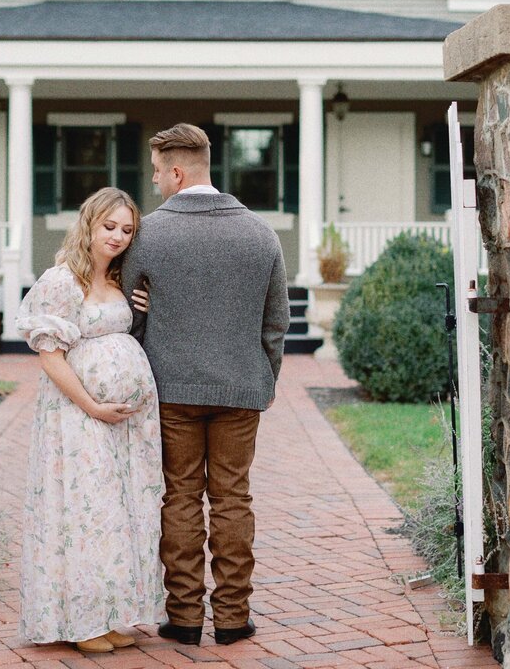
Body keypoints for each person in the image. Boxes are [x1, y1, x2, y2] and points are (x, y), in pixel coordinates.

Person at [121, 123, 290, 647]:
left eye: (156, 173)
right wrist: (261, 378)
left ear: (176, 171)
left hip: (172, 391)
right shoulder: (261, 233)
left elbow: (128, 320)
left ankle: (186, 617)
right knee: (233, 498)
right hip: (241, 390)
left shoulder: (147, 234)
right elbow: (276, 323)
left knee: (180, 498)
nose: (154, 184)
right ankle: (235, 618)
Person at [15, 187, 163, 654]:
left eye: (127, 229)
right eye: (109, 226)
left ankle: (112, 613)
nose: (118, 236)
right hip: (79, 418)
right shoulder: (62, 280)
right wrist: (93, 406)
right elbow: (51, 357)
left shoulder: (120, 280)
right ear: (89, 224)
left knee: (119, 514)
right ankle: (82, 622)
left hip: (126, 426)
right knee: (87, 511)